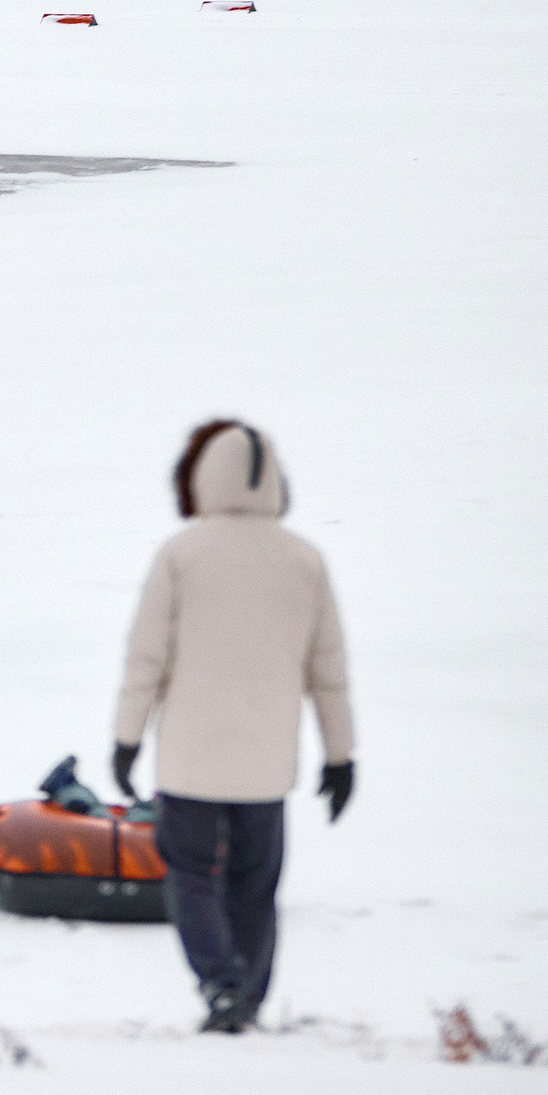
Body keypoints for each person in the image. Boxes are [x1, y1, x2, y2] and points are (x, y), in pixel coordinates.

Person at [111, 421, 355, 1036]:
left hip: (190, 759)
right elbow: (328, 671)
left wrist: (127, 738)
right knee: (255, 882)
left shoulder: (180, 555)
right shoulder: (305, 561)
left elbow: (147, 659)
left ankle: (220, 984)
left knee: (191, 875)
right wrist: (339, 756)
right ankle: (248, 991)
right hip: (266, 763)